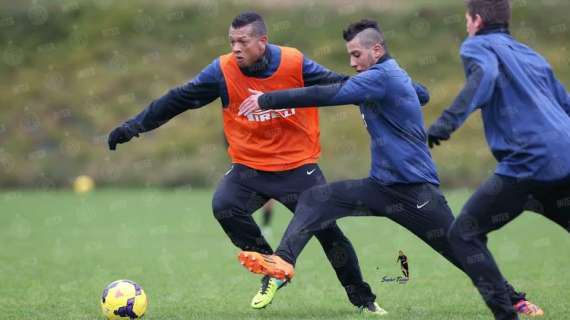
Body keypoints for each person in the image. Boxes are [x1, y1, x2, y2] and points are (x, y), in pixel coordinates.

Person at [236, 19, 541, 317]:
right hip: (380, 188)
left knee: (461, 250)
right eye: (349, 56)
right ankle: (282, 263)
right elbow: (423, 94)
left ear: (377, 50)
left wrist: (267, 100)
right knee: (317, 198)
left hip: (415, 193)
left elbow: (326, 95)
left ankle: (515, 301)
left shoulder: (381, 77)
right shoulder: (385, 76)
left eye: (357, 55)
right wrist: (406, 87)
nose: (353, 62)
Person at [107, 11, 396, 313]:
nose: (236, 48)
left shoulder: (293, 62)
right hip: (250, 169)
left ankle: (365, 300)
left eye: (242, 41)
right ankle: (272, 267)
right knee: (225, 206)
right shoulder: (222, 70)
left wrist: (395, 91)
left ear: (262, 41)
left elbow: (342, 87)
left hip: (299, 168)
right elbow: (177, 99)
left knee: (330, 234)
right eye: (231, 41)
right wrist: (133, 126)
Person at [425, 0, 570, 319]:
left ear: (476, 20)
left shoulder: (476, 46)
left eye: (466, 20)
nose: (466, 26)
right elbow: (565, 103)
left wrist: (446, 123)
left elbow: (485, 75)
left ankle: (507, 315)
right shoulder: (530, 54)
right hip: (565, 158)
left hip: (529, 163)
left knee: (463, 234)